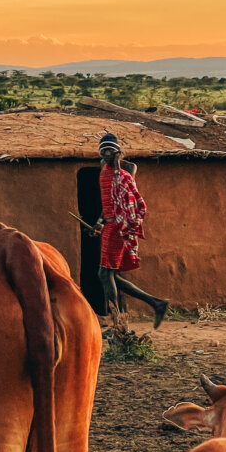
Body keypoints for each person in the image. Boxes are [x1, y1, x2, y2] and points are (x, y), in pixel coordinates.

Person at [94, 133, 169, 328]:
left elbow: (123, 195)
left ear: (118, 151)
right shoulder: (102, 166)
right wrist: (99, 222)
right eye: (104, 151)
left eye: (111, 151)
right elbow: (109, 200)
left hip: (121, 227)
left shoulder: (128, 168)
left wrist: (118, 164)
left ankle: (117, 321)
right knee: (110, 276)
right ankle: (156, 303)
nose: (108, 155)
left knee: (104, 274)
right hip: (109, 226)